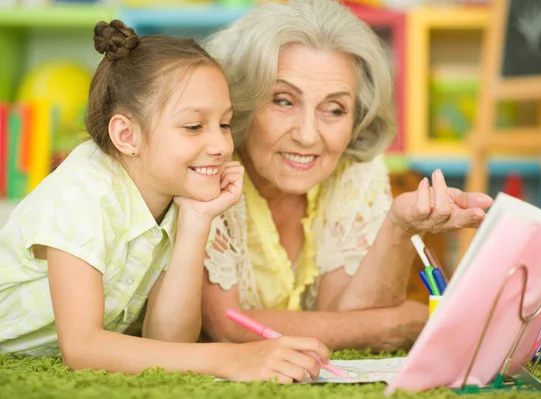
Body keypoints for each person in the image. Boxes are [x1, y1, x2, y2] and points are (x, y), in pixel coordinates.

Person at [0, 19, 332, 384]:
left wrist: (197, 219)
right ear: (127, 135)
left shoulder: (177, 191)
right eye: (194, 127)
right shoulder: (82, 192)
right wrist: (232, 359)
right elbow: (81, 348)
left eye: (224, 123)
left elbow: (166, 339)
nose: (222, 146)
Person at [200, 0, 494, 351]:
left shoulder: (353, 169)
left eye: (335, 109)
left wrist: (399, 227)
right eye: (283, 101)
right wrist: (398, 321)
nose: (308, 135)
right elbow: (227, 326)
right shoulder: (209, 162)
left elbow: (348, 317)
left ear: (357, 116)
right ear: (241, 100)